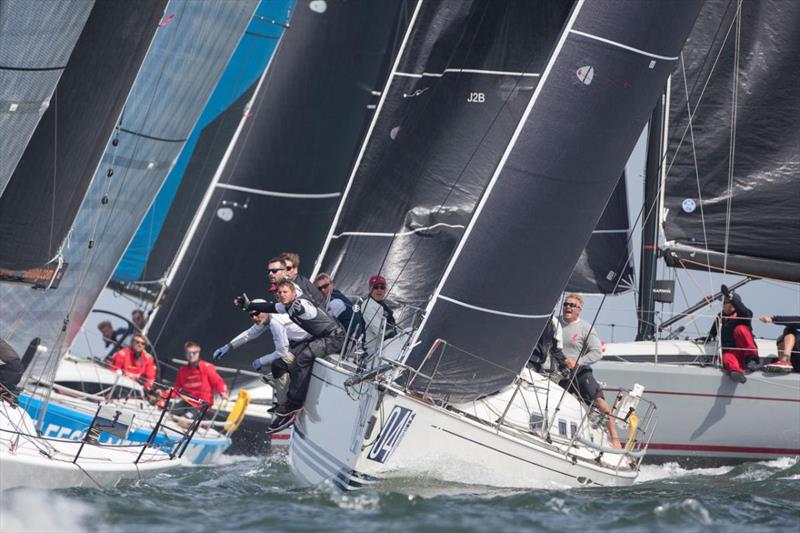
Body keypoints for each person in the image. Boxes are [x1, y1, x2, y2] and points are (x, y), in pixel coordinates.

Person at [242, 280, 343, 424]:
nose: (282, 295)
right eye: (280, 293)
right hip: (322, 337)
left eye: (285, 292)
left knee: (303, 358)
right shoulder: (287, 306)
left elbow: (303, 309)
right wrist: (249, 305)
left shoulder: (299, 305)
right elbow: (270, 307)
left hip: (335, 338)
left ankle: (295, 404)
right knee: (284, 361)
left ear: (294, 293)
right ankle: (286, 400)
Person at [213, 309, 309, 422]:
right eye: (251, 315)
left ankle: (285, 408)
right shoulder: (266, 319)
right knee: (269, 375)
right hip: (298, 345)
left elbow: (282, 352)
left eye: (257, 313)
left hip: (306, 345)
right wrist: (228, 346)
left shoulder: (275, 322)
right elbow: (249, 334)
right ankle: (285, 401)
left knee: (278, 365)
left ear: (266, 311)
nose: (254, 317)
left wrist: (261, 361)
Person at [559, 293, 621, 448]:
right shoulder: (554, 323)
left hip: (580, 373)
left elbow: (596, 352)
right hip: (559, 374)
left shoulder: (585, 328)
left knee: (600, 402)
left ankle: (615, 439)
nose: (568, 307)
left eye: (572, 305)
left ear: (579, 310)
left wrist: (578, 362)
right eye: (566, 304)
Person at [707, 285, 758, 383]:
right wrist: (709, 337)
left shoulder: (745, 314)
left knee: (740, 329)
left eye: (730, 303)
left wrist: (731, 297)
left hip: (745, 351)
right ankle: (736, 372)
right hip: (731, 351)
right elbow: (714, 331)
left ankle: (752, 360)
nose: (727, 305)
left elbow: (742, 309)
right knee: (727, 358)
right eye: (726, 303)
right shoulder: (721, 316)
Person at [173, 341, 228, 408]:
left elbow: (218, 381)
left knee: (184, 417)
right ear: (185, 353)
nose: (191, 355)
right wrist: (163, 396)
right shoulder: (182, 370)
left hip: (202, 404)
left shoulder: (207, 367)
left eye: (194, 353)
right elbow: (176, 388)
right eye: (189, 353)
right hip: (187, 401)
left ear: (198, 353)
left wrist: (223, 392)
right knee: (168, 413)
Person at [360, 275, 397, 355]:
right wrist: (396, 339)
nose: (379, 290)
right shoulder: (368, 306)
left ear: (385, 290)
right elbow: (380, 331)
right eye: (376, 287)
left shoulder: (382, 305)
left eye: (382, 287)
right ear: (370, 289)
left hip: (386, 346)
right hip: (373, 352)